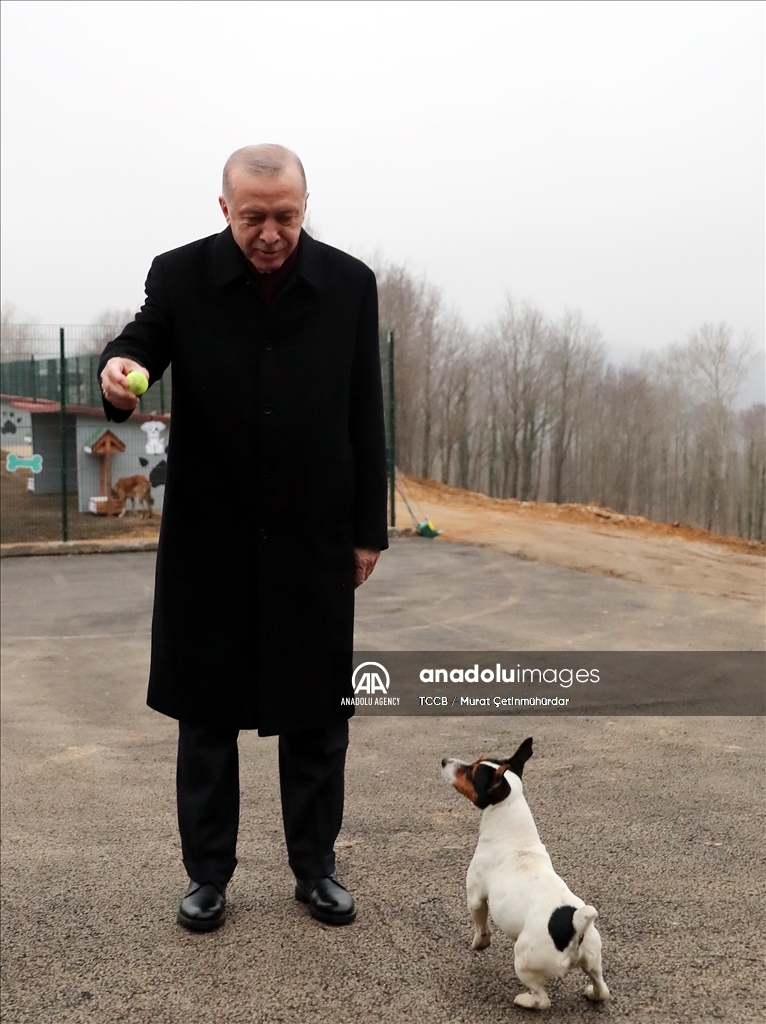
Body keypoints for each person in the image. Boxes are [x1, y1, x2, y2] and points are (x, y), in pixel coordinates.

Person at [98, 144, 388, 931]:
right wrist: (118, 370)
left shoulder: (349, 285)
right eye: (254, 216)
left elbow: (367, 411)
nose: (270, 232)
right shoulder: (181, 275)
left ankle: (315, 869)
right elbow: (141, 344)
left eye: (285, 216)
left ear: (305, 206)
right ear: (224, 208)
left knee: (319, 716)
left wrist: (368, 532)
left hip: (313, 535)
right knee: (206, 715)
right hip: (210, 536)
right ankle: (208, 877)